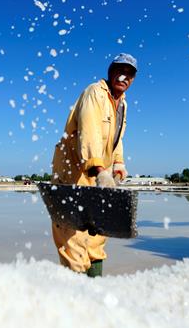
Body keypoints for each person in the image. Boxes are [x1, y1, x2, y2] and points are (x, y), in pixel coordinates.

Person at [51, 53, 137, 277]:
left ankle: (95, 291)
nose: (123, 76)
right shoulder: (94, 93)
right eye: (119, 70)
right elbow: (89, 133)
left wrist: (118, 163)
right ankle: (75, 298)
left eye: (128, 74)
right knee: (74, 238)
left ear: (133, 79)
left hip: (100, 173)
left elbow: (115, 139)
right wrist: (99, 169)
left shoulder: (122, 104)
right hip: (74, 172)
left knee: (98, 236)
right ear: (110, 72)